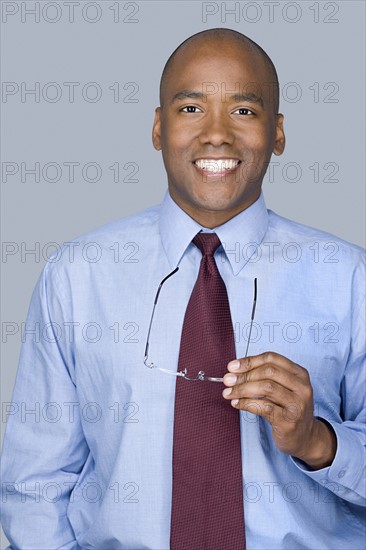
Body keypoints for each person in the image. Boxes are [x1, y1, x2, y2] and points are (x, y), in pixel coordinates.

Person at [1, 28, 365, 550]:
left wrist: (318, 441)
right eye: (191, 108)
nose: (216, 134)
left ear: (278, 134)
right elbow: (35, 484)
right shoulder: (78, 275)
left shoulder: (350, 279)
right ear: (157, 127)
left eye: (244, 111)